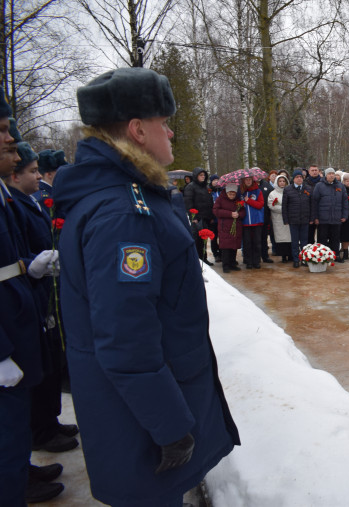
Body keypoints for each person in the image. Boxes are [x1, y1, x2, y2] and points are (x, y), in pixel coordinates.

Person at [52, 67, 240, 506]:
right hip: (140, 420)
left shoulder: (127, 196)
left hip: (140, 408)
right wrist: (172, 427)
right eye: (163, 123)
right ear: (138, 130)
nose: (171, 131)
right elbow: (126, 340)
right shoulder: (123, 214)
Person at [0, 98, 65, 504]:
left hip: (18, 318)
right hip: (6, 335)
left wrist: (30, 266)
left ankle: (20, 474)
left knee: (13, 430)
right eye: (2, 131)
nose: (12, 138)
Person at [311, 167, 348, 262]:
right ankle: (322, 256)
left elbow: (345, 202)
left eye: (333, 173)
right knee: (322, 239)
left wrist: (344, 215)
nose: (331, 175)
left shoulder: (340, 186)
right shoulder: (319, 186)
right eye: (329, 173)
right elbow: (314, 202)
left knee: (335, 239)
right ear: (325, 175)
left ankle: (335, 255)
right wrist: (315, 217)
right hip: (323, 219)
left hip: (336, 218)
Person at [183, 167, 215, 265]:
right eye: (201, 175)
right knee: (197, 240)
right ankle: (197, 260)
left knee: (204, 239)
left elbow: (210, 201)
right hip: (197, 218)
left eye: (204, 175)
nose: (203, 177)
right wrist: (194, 217)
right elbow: (188, 203)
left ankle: (204, 258)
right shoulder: (190, 187)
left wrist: (211, 216)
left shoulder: (206, 187)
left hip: (206, 217)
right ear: (196, 176)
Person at [282, 168, 312, 268]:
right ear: (293, 179)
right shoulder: (288, 189)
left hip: (305, 219)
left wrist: (311, 218)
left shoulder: (308, 188)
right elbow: (284, 206)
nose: (299, 179)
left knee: (304, 241)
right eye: (297, 177)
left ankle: (304, 259)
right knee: (294, 241)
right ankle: (296, 259)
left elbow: (312, 205)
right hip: (293, 220)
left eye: (301, 177)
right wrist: (285, 219)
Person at [213, 183, 245, 273]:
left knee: (233, 246)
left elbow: (243, 211)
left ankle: (232, 263)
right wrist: (230, 214)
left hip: (235, 227)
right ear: (226, 192)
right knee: (226, 247)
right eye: (230, 194)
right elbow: (216, 210)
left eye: (233, 194)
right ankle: (225, 265)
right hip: (225, 227)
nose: (232, 196)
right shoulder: (220, 199)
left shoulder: (237, 200)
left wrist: (238, 214)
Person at [240, 175, 266, 269]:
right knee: (247, 243)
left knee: (257, 242)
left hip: (256, 221)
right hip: (245, 222)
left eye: (249, 179)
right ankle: (248, 261)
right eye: (246, 179)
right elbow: (237, 204)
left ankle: (256, 261)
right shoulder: (241, 192)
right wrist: (241, 203)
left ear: (252, 180)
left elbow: (260, 204)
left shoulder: (258, 191)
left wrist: (249, 201)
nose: (248, 181)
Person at [268, 174, 292, 262]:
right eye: (280, 181)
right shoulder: (273, 193)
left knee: (290, 237)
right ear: (277, 182)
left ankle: (290, 255)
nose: (282, 183)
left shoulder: (290, 191)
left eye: (283, 181)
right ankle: (283, 255)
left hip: (289, 219)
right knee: (281, 238)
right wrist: (284, 209)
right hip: (278, 218)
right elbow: (271, 205)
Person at [305, 164, 322, 243]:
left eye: (316, 170)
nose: (314, 172)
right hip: (309, 212)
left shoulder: (323, 182)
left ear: (319, 171)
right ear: (309, 172)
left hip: (322, 211)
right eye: (312, 170)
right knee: (309, 235)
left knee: (322, 236)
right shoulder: (305, 183)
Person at [208, 174, 222, 263]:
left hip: (221, 218)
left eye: (217, 180)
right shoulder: (209, 192)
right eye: (214, 180)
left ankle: (222, 253)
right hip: (213, 219)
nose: (216, 182)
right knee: (214, 237)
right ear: (211, 182)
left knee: (222, 237)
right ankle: (216, 254)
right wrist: (210, 217)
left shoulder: (221, 191)